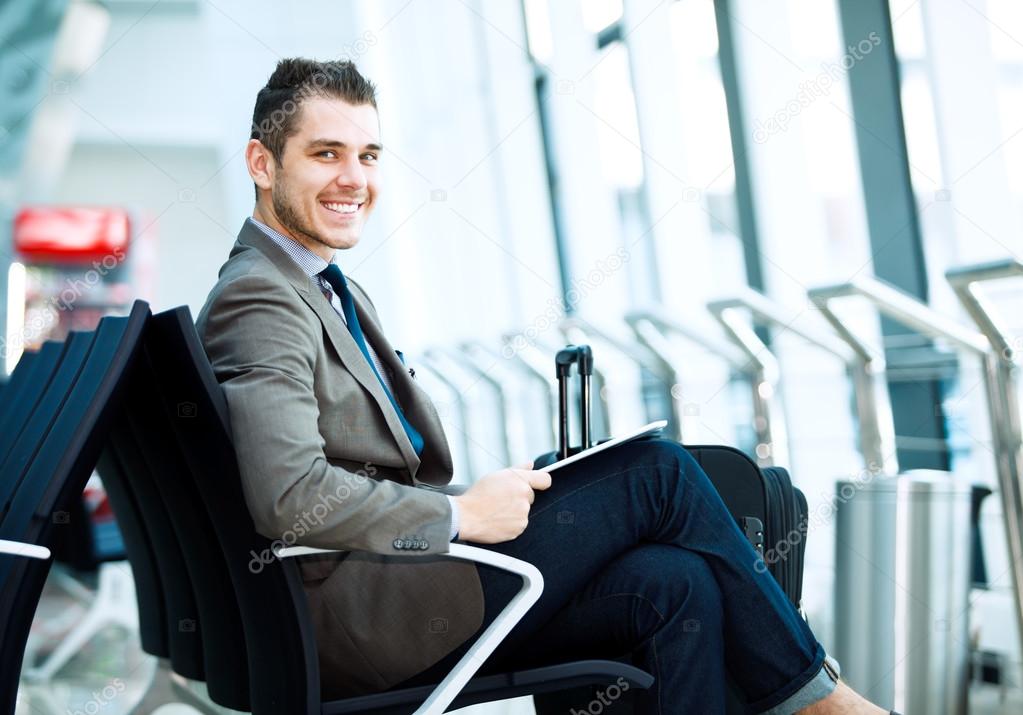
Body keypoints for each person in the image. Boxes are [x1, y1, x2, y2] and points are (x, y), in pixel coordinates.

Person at [196, 58, 894, 714]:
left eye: (368, 155)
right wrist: (465, 515)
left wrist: (486, 496)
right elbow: (290, 496)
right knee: (659, 473)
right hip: (365, 621)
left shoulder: (312, 286)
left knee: (675, 582)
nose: (354, 178)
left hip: (387, 587)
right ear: (263, 162)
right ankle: (819, 698)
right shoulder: (260, 299)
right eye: (326, 153)